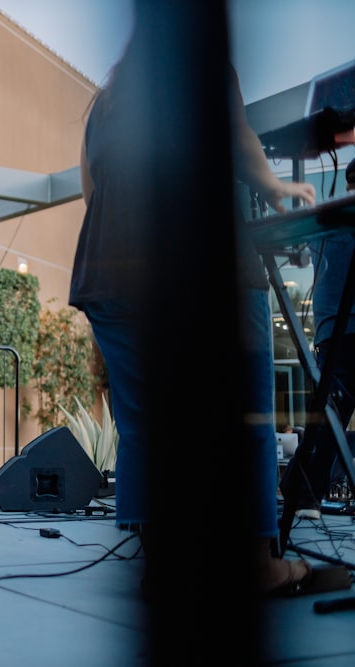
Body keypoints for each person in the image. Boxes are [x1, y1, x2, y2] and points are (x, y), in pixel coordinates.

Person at [68, 26, 317, 596]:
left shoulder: (103, 105)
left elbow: (89, 188)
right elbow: (237, 136)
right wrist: (277, 188)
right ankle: (257, 563)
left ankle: (164, 566)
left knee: (142, 428)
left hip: (109, 274)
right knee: (248, 416)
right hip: (201, 268)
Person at [291, 158, 355, 519]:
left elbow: (303, 261)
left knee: (329, 421)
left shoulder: (325, 221)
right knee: (329, 420)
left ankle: (302, 496)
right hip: (343, 329)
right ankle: (301, 494)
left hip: (331, 334)